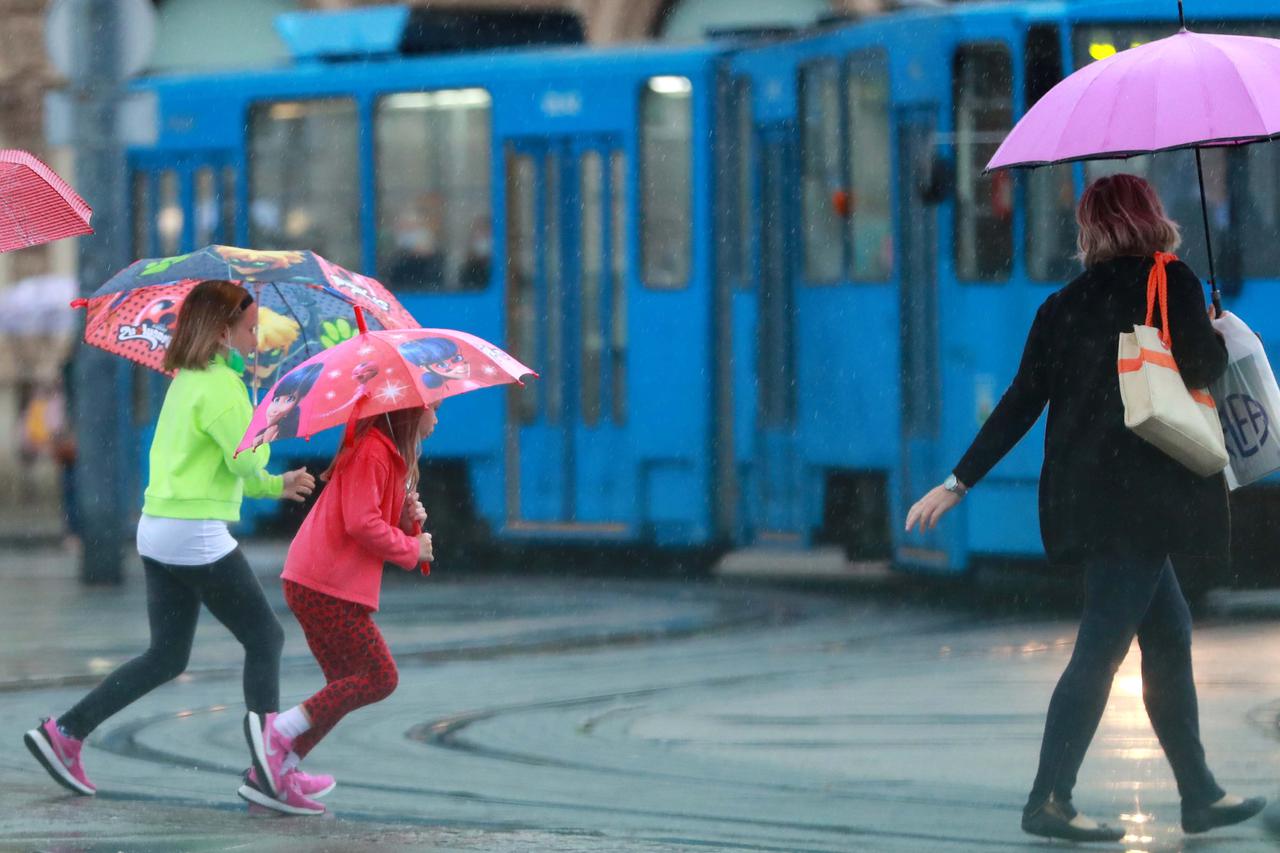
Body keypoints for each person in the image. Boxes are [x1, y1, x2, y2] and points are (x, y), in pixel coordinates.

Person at [905, 174, 1265, 842]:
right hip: (1144, 503)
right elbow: (1201, 369)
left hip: (1086, 501)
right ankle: (1049, 798)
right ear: (1152, 216)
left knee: (1169, 634)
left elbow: (1019, 402)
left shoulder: (1062, 305)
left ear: (1091, 229)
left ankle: (1199, 793)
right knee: (1100, 650)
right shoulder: (1172, 281)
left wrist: (957, 480)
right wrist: (1211, 326)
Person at [23, 280, 316, 797]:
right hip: (193, 534)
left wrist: (278, 486)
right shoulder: (224, 387)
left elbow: (227, 470)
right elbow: (245, 460)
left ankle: (65, 732)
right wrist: (268, 423)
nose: (258, 338)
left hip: (158, 529)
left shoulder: (188, 379)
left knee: (167, 656)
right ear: (223, 331)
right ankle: (270, 772)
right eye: (250, 328)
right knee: (265, 637)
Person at [240, 404, 435, 815]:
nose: (436, 421)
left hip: (320, 581)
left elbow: (372, 516)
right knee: (380, 677)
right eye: (433, 411)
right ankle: (278, 735)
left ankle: (274, 773)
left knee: (344, 685)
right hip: (324, 584)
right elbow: (360, 523)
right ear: (409, 414)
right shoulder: (374, 451)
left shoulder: (385, 454)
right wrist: (410, 548)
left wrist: (403, 517)